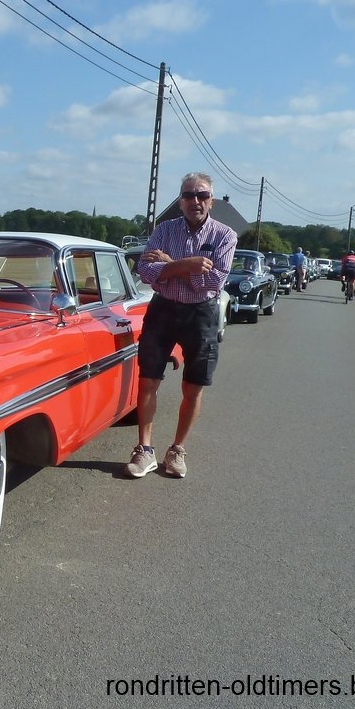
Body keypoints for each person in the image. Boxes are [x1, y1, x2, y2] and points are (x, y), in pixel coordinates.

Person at [126, 172, 238, 479]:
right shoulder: (164, 229)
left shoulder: (225, 236)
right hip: (162, 309)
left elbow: (213, 281)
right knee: (148, 380)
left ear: (211, 200)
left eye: (202, 195)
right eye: (189, 195)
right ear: (180, 200)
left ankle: (177, 450)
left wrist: (169, 264)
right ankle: (145, 450)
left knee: (193, 385)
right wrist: (186, 265)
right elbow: (146, 271)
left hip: (201, 314)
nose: (195, 201)